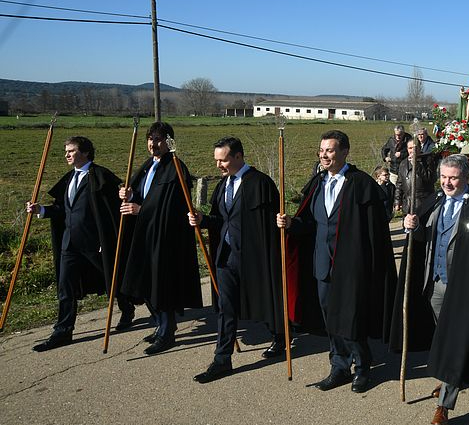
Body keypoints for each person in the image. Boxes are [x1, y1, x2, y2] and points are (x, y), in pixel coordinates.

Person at [392, 154, 469, 425]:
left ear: (466, 177)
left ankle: (444, 404)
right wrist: (412, 226)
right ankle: (446, 376)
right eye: (443, 177)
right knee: (441, 336)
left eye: (453, 177)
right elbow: (421, 239)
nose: (447, 182)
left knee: (455, 341)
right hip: (433, 283)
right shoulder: (434, 201)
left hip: (463, 289)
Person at [278, 130, 396, 393]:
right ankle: (339, 366)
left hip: (352, 267)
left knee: (350, 319)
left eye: (329, 150)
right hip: (323, 265)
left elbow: (375, 233)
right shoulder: (318, 183)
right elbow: (309, 223)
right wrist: (290, 224)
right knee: (331, 319)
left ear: (344, 152)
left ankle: (363, 367)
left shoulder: (362, 184)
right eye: (321, 150)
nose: (324, 155)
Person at [189, 137, 286, 383]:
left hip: (255, 257)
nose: (219, 165)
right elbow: (219, 220)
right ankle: (222, 360)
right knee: (225, 308)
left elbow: (271, 224)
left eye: (223, 160)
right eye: (217, 160)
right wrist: (202, 220)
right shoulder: (223, 186)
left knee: (265, 298)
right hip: (226, 256)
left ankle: (281, 336)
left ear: (238, 157)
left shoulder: (260, 183)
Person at [27, 137, 132, 351]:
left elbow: (112, 212)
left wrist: (107, 241)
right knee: (65, 287)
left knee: (111, 278)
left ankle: (126, 306)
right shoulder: (68, 179)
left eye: (71, 151)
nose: (66, 155)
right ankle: (63, 331)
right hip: (69, 244)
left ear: (84, 153)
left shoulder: (101, 176)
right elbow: (64, 211)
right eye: (66, 151)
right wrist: (42, 211)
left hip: (94, 244)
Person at [120, 122, 201, 355]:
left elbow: (171, 207)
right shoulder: (149, 165)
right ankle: (159, 324)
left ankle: (167, 333)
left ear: (169, 142)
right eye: (150, 139)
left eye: (157, 140)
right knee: (143, 281)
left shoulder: (176, 168)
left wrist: (140, 209)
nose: (152, 144)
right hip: (144, 233)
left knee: (160, 285)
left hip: (165, 237)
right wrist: (128, 194)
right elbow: (144, 193)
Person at [394, 138, 438, 216]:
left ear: (419, 148)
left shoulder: (427, 160)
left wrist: (416, 165)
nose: (412, 150)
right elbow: (399, 184)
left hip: (424, 203)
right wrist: (397, 200)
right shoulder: (403, 163)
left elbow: (431, 179)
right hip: (408, 204)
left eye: (415, 148)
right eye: (410, 148)